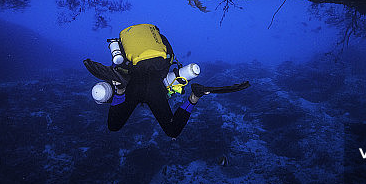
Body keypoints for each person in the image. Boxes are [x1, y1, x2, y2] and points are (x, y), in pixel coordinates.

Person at [84, 23, 249, 138]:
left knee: (115, 126)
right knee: (170, 127)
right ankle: (194, 95)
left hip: (140, 88)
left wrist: (120, 91)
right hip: (153, 79)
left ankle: (194, 97)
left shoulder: (122, 82)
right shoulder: (127, 58)